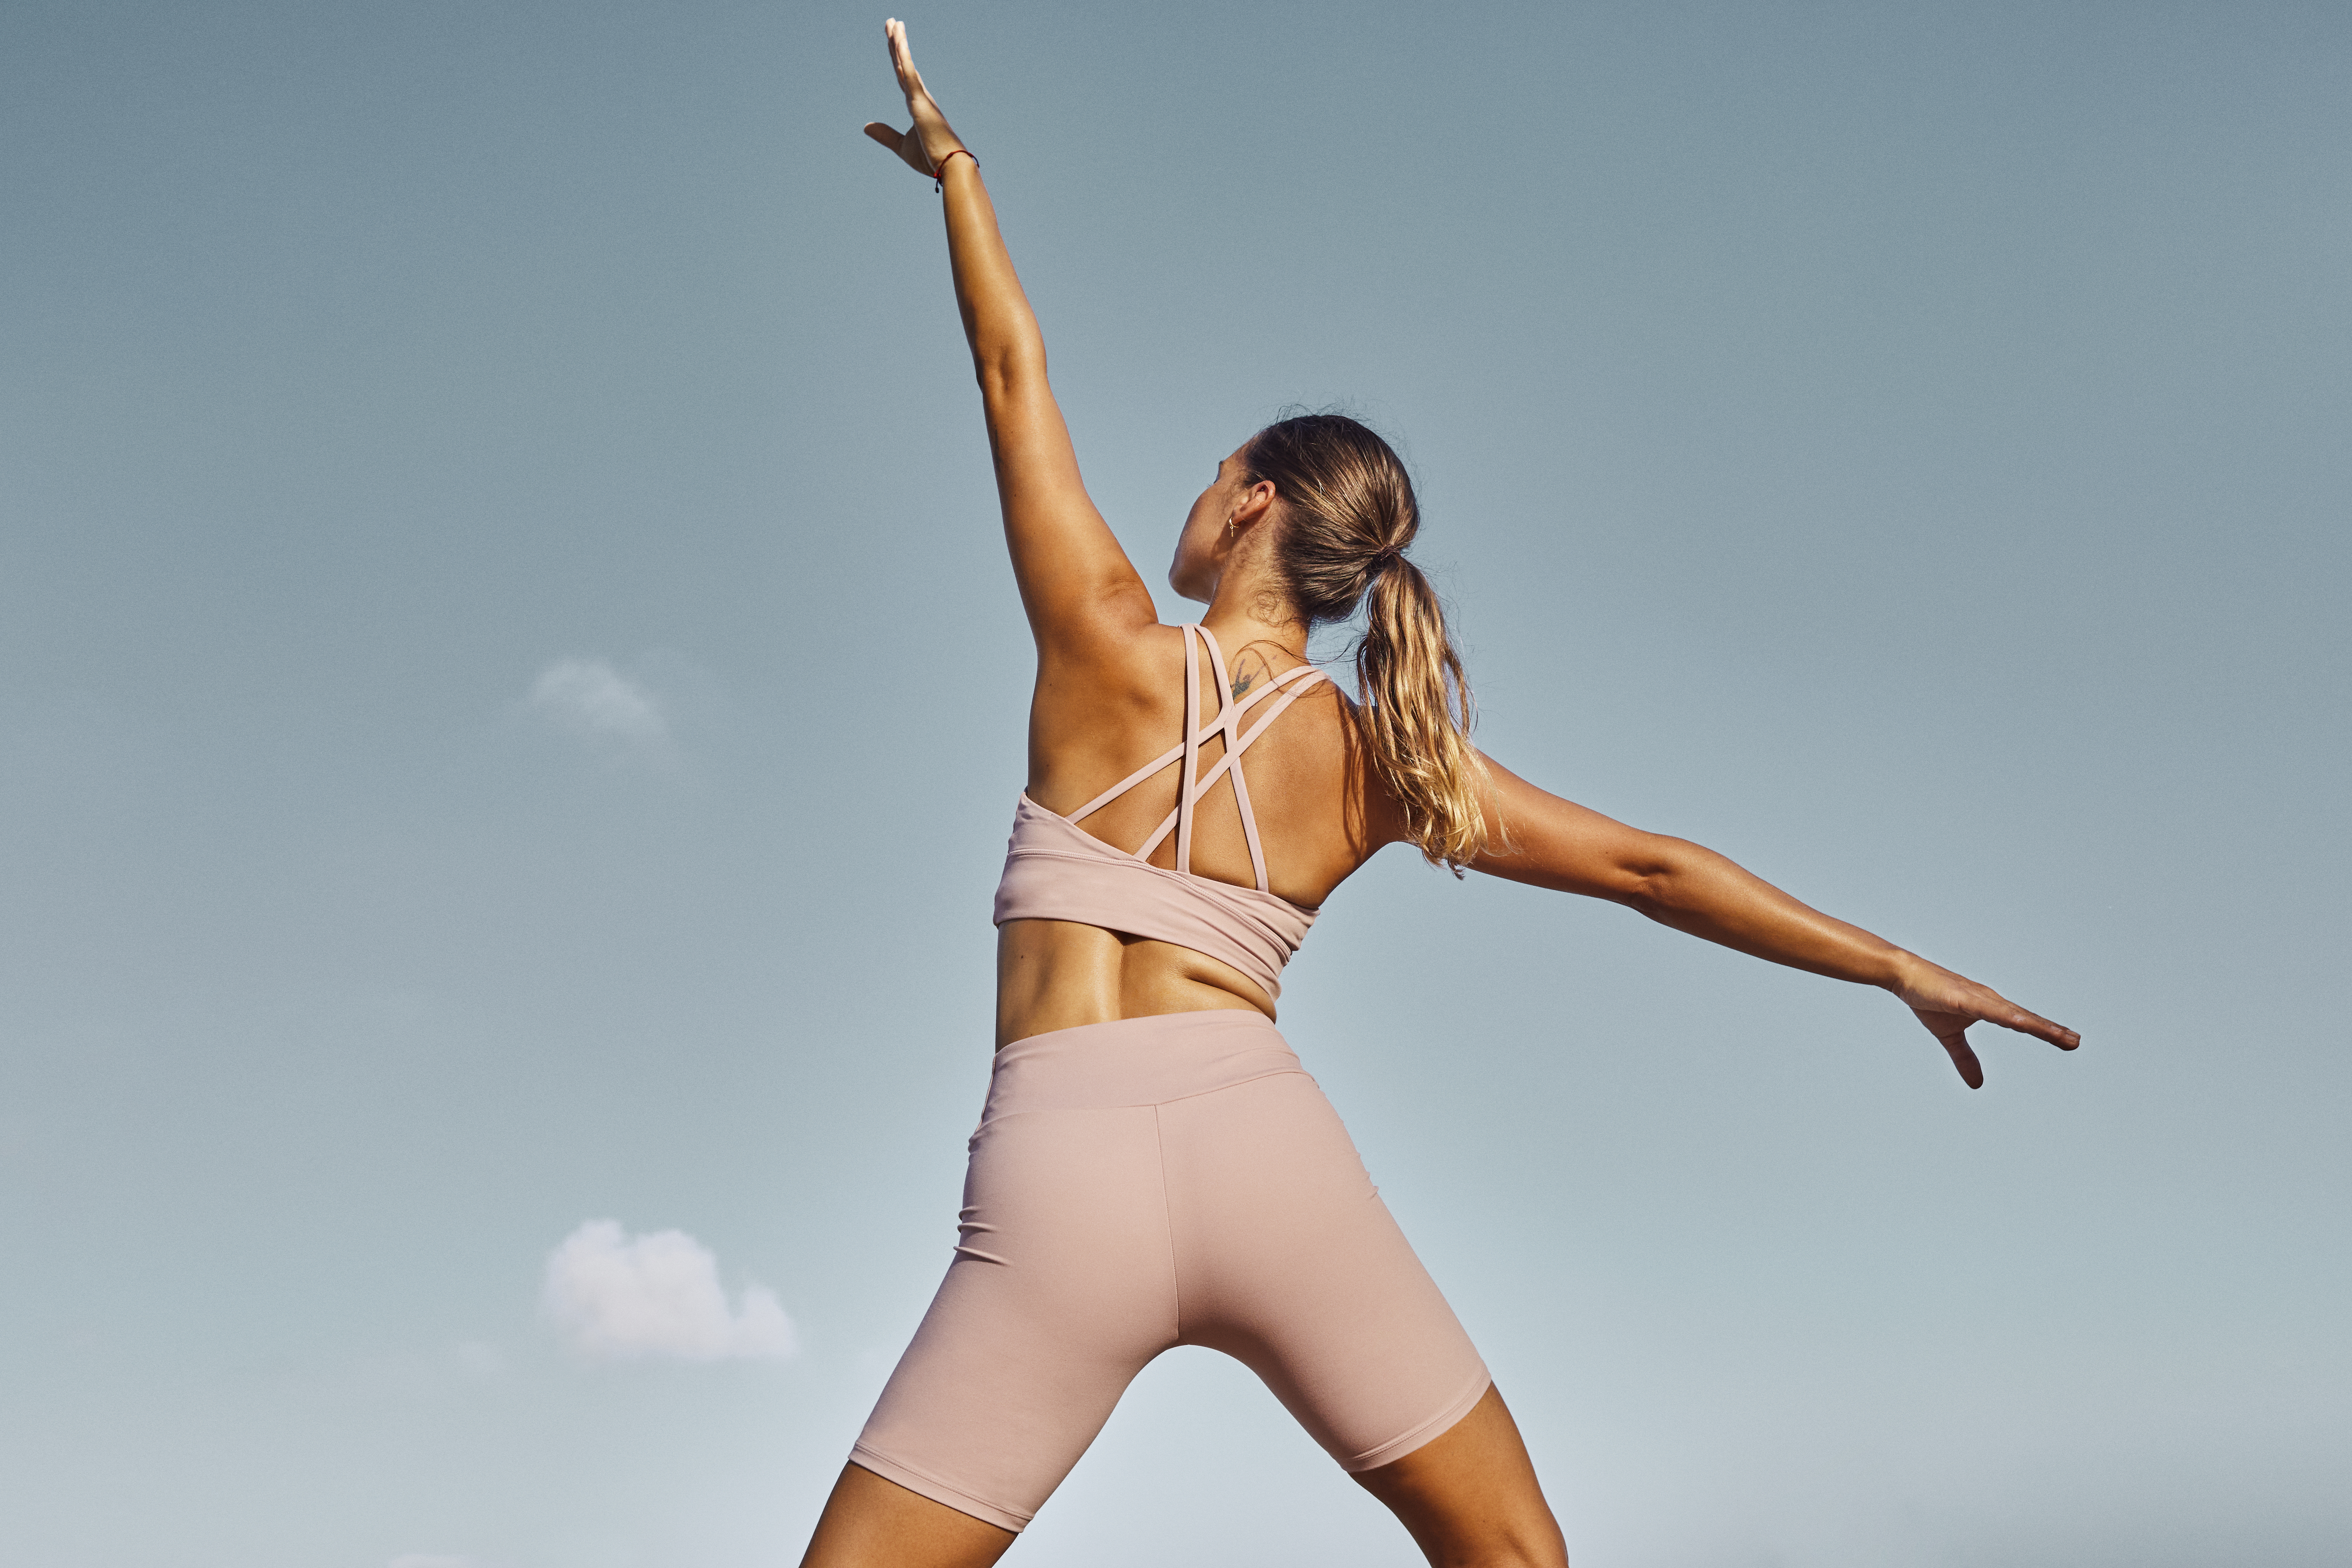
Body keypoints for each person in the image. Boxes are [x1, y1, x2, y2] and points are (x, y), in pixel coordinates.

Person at [803, 21, 2081, 1568]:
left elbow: (1013, 368)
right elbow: (1655, 870)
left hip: (1056, 1165)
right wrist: (1895, 966)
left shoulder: (1102, 640)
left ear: (1253, 502)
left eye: (1214, 476)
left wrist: (960, 176)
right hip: (1260, 1145)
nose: (1196, 499)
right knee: (1517, 1556)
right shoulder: (1386, 762)